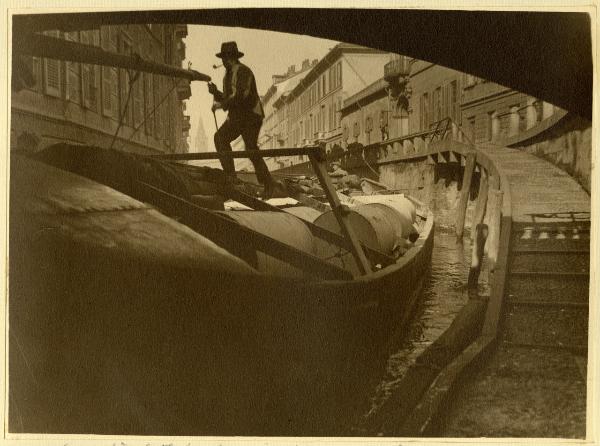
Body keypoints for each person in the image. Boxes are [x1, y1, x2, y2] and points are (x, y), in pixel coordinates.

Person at [207, 41, 279, 198]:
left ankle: (268, 184)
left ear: (230, 58)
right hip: (238, 117)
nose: (223, 62)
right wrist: (215, 93)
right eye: (222, 58)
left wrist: (220, 105)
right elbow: (228, 98)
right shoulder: (228, 75)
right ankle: (231, 177)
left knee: (251, 148)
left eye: (225, 58)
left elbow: (241, 96)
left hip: (251, 116)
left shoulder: (244, 71)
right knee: (220, 138)